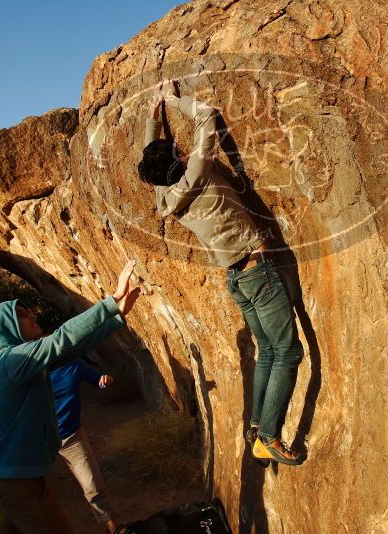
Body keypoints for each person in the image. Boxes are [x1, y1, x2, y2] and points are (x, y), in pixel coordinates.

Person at [137, 80, 303, 466]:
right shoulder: (196, 171)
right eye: (177, 150)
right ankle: (270, 437)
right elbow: (208, 117)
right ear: (179, 159)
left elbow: (149, 159)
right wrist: (176, 101)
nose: (182, 148)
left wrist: (153, 114)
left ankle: (256, 426)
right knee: (289, 352)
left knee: (268, 353)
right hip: (257, 274)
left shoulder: (164, 194)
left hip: (236, 279)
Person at [0, 260, 139, 534]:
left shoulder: (19, 361)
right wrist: (111, 301)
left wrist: (117, 317)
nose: (33, 317)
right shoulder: (13, 359)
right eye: (23, 315)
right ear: (7, 328)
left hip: (12, 483)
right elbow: (62, 339)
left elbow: (69, 349)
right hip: (20, 487)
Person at [50, 359, 116, 533]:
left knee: (92, 485)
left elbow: (98, 380)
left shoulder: (72, 366)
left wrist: (105, 380)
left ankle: (113, 529)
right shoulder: (29, 373)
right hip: (39, 440)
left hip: (71, 438)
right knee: (28, 492)